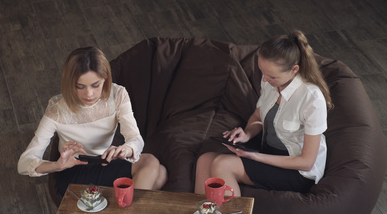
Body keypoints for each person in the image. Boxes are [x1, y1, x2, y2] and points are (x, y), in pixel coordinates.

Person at [195, 30, 333, 196]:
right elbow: (258, 116)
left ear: (294, 69)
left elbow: (306, 162)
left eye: (272, 76)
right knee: (204, 160)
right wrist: (246, 134)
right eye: (263, 72)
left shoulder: (311, 98)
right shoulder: (269, 82)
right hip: (268, 153)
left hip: (296, 170)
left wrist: (255, 157)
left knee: (223, 164)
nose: (265, 80)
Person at [18, 47, 167, 194]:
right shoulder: (57, 112)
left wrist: (125, 149)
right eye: (80, 86)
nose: (89, 94)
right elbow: (23, 163)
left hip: (103, 162)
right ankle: (124, 213)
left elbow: (135, 139)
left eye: (96, 85)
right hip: (74, 170)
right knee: (152, 165)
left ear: (105, 79)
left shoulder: (118, 95)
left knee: (161, 174)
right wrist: (57, 165)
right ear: (70, 83)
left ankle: (117, 211)